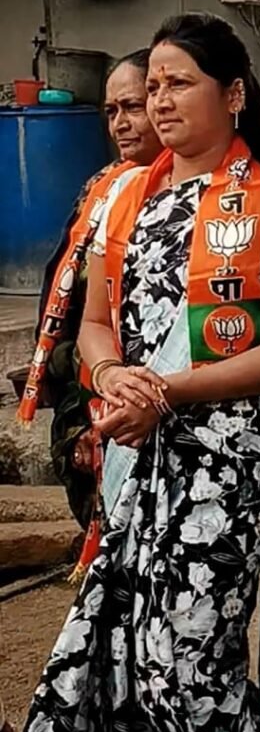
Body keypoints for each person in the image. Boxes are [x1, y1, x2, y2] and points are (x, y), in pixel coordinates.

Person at [2, 13, 260, 732]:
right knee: (133, 644)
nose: (160, 101)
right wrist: (114, 376)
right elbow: (93, 324)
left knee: (186, 658)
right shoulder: (123, 200)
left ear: (233, 94)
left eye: (180, 83)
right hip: (143, 446)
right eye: (154, 87)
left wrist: (166, 391)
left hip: (238, 462)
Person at [16, 50, 165, 581]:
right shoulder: (103, 186)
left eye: (133, 107)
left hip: (154, 390)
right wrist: (72, 382)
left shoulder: (190, 195)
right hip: (90, 374)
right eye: (111, 111)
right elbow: (68, 291)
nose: (121, 123)